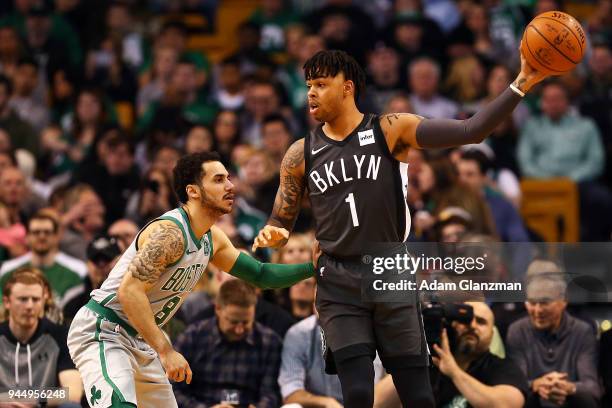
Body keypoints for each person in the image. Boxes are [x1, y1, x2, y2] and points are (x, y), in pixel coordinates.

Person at [253, 49, 548, 408]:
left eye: (320, 84)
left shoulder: (391, 129)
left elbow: (472, 130)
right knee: (359, 394)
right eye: (308, 85)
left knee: (419, 396)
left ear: (347, 88)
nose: (310, 93)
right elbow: (281, 216)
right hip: (338, 278)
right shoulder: (300, 153)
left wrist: (520, 84)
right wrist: (274, 231)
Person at [67, 152, 317, 408]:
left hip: (141, 337)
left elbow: (261, 275)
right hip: (105, 329)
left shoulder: (213, 238)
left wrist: (314, 268)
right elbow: (129, 292)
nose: (230, 186)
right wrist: (165, 351)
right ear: (194, 191)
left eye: (228, 179)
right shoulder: (170, 233)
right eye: (219, 180)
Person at [374, 302, 527, 408]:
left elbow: (507, 404)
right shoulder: (428, 363)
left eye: (481, 322)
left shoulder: (503, 367)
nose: (472, 326)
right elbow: (375, 403)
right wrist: (417, 359)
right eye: (465, 320)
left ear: (492, 333)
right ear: (450, 325)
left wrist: (453, 372)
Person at [173, 279, 283, 407]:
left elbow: (271, 393)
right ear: (218, 309)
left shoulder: (269, 341)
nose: (239, 329)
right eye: (233, 322)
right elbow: (173, 389)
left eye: (246, 322)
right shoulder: (193, 336)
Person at [506, 273, 601, 408]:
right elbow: (515, 383)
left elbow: (592, 388)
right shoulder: (517, 330)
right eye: (532, 302)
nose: (538, 310)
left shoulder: (582, 331)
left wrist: (567, 387)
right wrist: (536, 384)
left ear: (564, 301)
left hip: (570, 403)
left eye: (545, 302)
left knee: (587, 400)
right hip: (533, 403)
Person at [0, 268, 83, 406]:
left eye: (36, 299)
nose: (30, 306)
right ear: (7, 302)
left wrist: (28, 400)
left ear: (44, 301)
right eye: (23, 299)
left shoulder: (60, 335)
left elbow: (73, 392)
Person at [0, 212, 87, 306]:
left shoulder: (76, 272)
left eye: (47, 232)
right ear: (27, 237)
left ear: (56, 236)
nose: (42, 236)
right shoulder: (8, 270)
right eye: (36, 232)